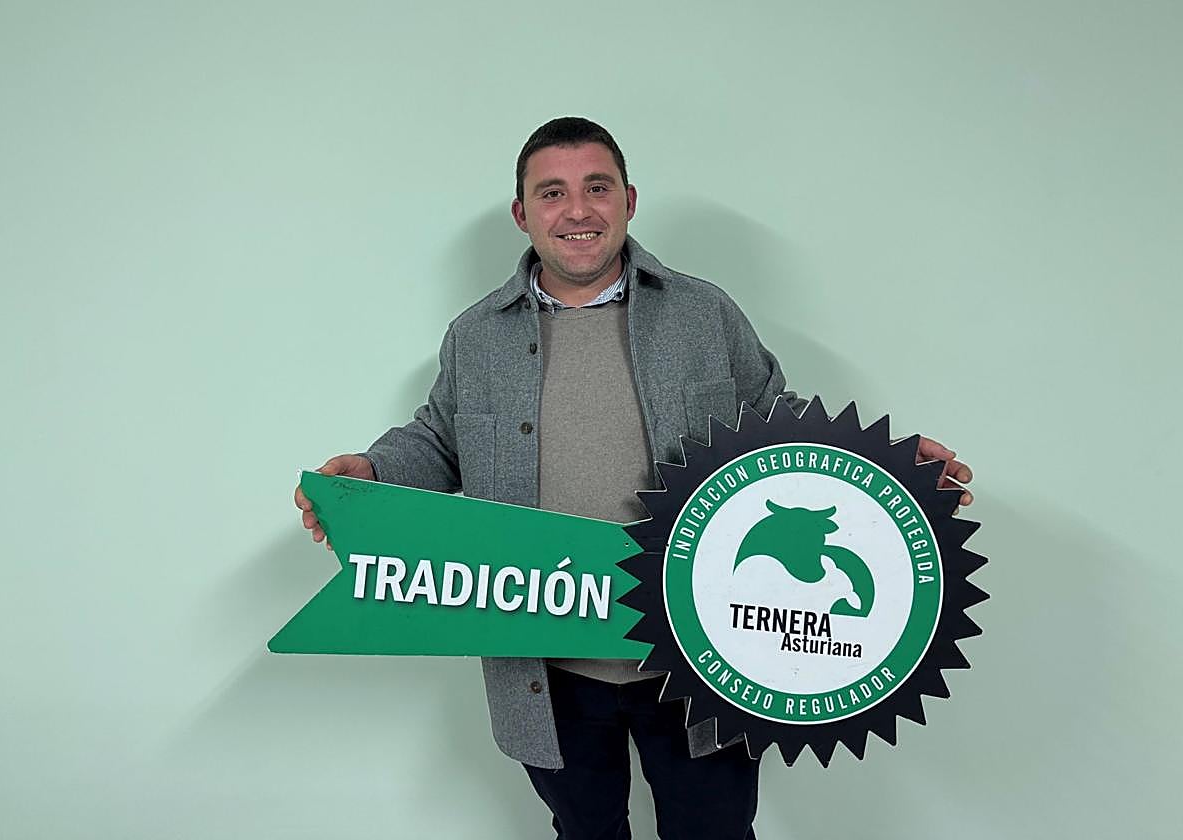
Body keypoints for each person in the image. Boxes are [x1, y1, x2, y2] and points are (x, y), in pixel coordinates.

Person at [295, 117, 974, 839]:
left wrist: (893, 470)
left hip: (699, 651)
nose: (577, 210)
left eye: (597, 187)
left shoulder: (704, 313)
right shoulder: (476, 335)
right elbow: (440, 438)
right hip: (548, 658)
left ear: (629, 201)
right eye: (552, 193)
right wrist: (373, 470)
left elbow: (781, 428)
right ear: (522, 213)